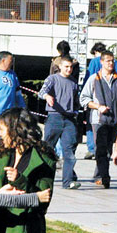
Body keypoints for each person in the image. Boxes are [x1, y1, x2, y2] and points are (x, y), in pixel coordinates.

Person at [81, 51, 117, 188]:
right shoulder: (94, 79)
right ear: (102, 62)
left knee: (108, 149)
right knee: (100, 148)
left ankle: (101, 174)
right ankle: (103, 176)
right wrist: (98, 107)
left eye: (112, 61)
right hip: (99, 120)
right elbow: (84, 99)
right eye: (108, 61)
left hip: (114, 119)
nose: (111, 63)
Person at [40, 55, 81, 189]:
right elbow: (42, 91)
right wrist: (47, 96)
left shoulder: (74, 83)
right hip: (54, 117)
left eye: (70, 67)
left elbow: (76, 102)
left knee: (69, 151)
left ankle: (68, 181)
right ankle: (42, 177)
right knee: (47, 148)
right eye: (66, 67)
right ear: (60, 67)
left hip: (69, 119)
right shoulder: (52, 79)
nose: (69, 69)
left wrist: (75, 111)